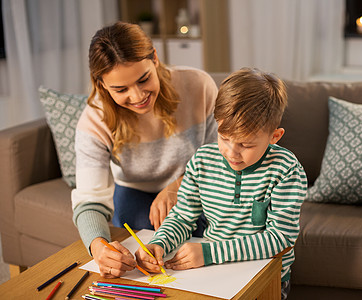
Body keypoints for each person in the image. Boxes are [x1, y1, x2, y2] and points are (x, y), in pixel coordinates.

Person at [135, 68, 308, 299]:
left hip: (265, 276)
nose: (231, 152)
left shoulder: (285, 170)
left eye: (246, 145)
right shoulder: (202, 161)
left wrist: (209, 253)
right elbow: (182, 217)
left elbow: (280, 238)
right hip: (215, 273)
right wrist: (159, 243)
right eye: (224, 138)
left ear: (274, 136)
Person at [71, 21, 218, 279]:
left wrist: (177, 187)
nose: (138, 96)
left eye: (143, 79)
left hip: (196, 186)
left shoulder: (200, 86)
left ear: (155, 59)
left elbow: (222, 160)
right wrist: (98, 247)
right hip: (133, 193)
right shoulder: (94, 119)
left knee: (201, 250)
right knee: (143, 262)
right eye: (121, 89)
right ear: (102, 84)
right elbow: (89, 199)